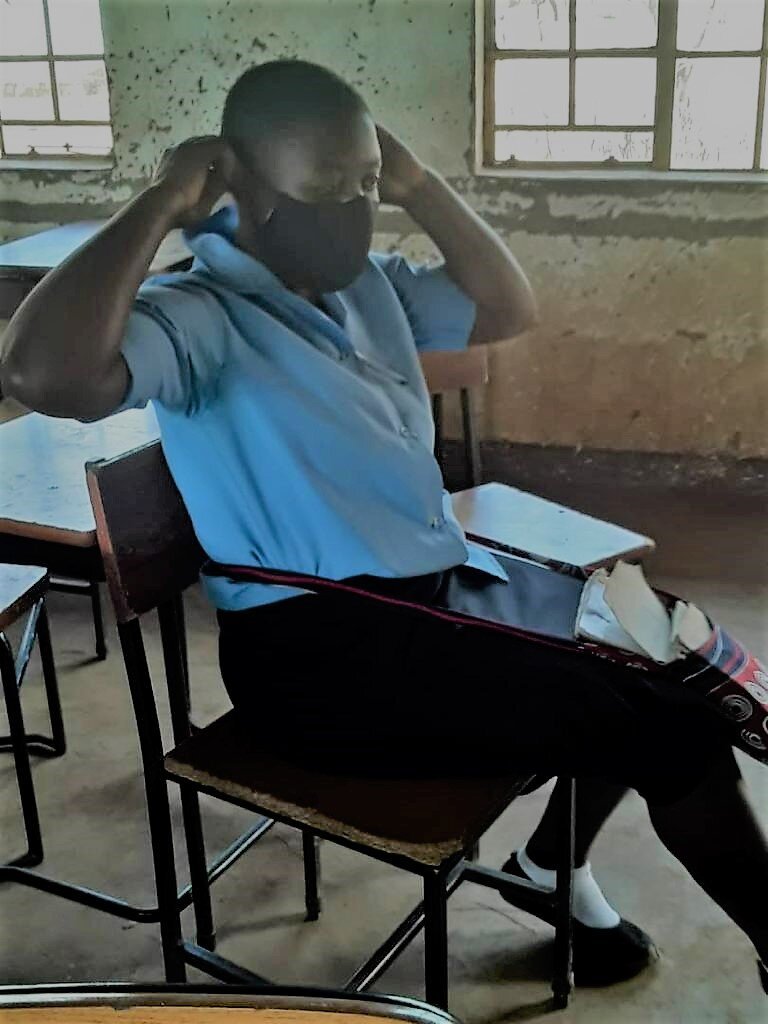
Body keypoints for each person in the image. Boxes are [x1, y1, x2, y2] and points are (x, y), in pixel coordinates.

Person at [2, 60, 766, 994]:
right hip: (324, 655)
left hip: (435, 593)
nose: (357, 206)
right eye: (328, 186)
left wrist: (415, 183)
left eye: (366, 181)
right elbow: (42, 377)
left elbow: (505, 307)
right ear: (245, 188)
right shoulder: (195, 318)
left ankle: (548, 871)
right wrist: (162, 201)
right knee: (671, 734)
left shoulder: (372, 288)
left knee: (668, 650)